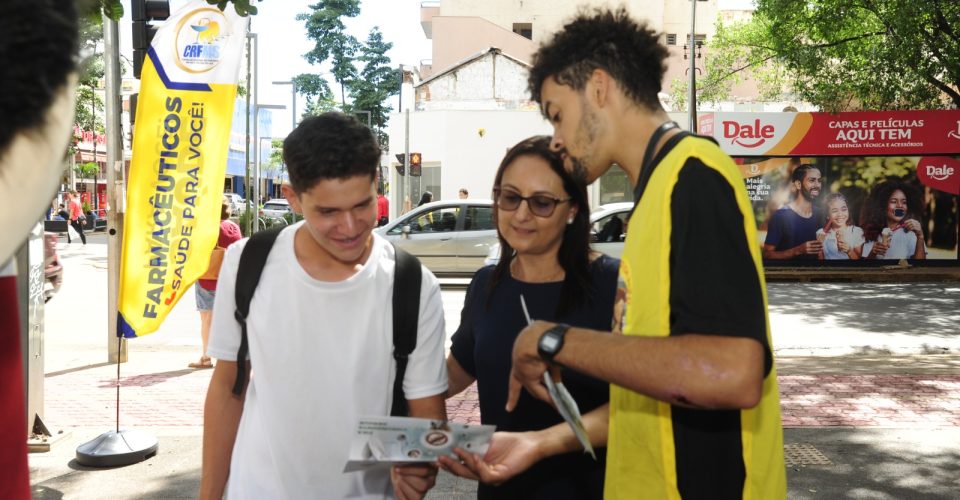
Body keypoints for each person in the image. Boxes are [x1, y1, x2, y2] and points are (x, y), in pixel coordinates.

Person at [496, 8, 785, 499]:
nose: (557, 140)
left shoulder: (693, 176)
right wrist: (541, 442)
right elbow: (663, 389)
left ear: (600, 88)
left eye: (557, 114)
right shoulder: (656, 193)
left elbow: (732, 373)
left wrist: (552, 340)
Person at [201, 113, 448, 499]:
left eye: (362, 205)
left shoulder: (414, 286)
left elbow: (426, 416)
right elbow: (228, 387)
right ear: (293, 197)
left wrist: (419, 465)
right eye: (328, 212)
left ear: (376, 187)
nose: (350, 227)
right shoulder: (248, 262)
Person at [439, 136, 618, 498]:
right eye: (510, 197)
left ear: (572, 210)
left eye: (541, 203)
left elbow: (642, 410)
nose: (521, 214)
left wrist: (539, 444)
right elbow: (457, 370)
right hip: (501, 487)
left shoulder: (614, 285)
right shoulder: (487, 283)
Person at [191, 196, 242, 369]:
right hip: (229, 279)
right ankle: (230, 356)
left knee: (207, 319)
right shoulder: (233, 227)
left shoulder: (207, 228)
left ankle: (206, 358)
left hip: (207, 278)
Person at [762, 164, 823, 260]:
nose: (817, 185)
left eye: (819, 181)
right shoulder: (780, 216)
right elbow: (767, 254)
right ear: (798, 184)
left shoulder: (821, 214)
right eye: (812, 180)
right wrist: (798, 250)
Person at [860, 178, 927, 260]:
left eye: (904, 202)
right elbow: (865, 268)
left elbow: (921, 266)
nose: (900, 206)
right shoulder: (870, 233)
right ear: (883, 205)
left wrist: (920, 236)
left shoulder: (911, 234)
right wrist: (873, 253)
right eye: (894, 201)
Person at [818, 193, 864, 260]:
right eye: (835, 211)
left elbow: (860, 262)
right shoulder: (821, 233)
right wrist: (819, 247)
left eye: (843, 209)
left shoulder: (857, 232)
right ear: (827, 215)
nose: (840, 214)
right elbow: (821, 259)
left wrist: (849, 251)